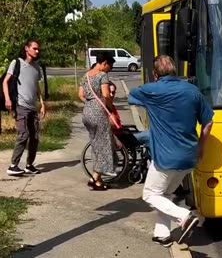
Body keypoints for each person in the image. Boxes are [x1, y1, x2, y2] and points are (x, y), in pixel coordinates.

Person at [128, 55, 214, 247]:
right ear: (175, 71)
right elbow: (208, 122)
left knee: (150, 195)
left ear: (155, 74)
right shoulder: (193, 91)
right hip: (189, 157)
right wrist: (201, 146)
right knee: (164, 194)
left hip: (166, 158)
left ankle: (184, 216)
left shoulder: (151, 90)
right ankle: (162, 234)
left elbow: (131, 96)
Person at [3, 38, 46, 176]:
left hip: (33, 107)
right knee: (23, 135)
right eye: (34, 48)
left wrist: (42, 103)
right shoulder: (17, 63)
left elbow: (36, 87)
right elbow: (5, 81)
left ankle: (29, 165)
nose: (37, 51)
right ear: (26, 48)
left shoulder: (36, 68)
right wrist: (8, 99)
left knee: (34, 137)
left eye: (38, 49)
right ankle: (13, 165)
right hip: (20, 105)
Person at [78, 52, 116, 191]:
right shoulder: (102, 76)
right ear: (104, 62)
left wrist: (91, 103)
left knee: (96, 145)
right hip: (99, 113)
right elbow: (106, 95)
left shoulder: (86, 75)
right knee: (105, 145)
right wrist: (109, 108)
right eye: (109, 66)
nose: (109, 70)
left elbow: (80, 95)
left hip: (87, 112)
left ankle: (98, 182)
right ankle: (94, 178)